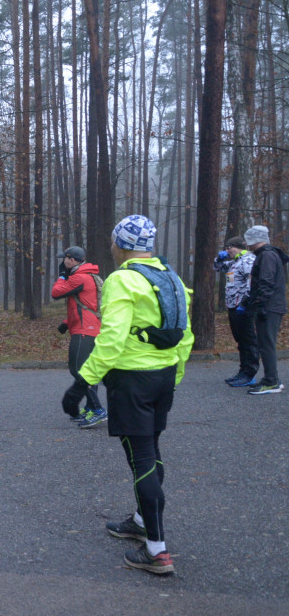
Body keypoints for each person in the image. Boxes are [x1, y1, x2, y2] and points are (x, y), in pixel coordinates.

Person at [61, 215, 193, 575]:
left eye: (114, 243)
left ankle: (156, 550)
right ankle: (139, 520)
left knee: (141, 458)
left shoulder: (122, 280)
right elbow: (185, 335)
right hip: (163, 377)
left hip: (132, 380)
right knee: (151, 448)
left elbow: (112, 338)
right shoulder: (171, 277)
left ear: (121, 245)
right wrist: (174, 376)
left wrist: (80, 384)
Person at [50, 246, 107, 428]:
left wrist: (61, 276)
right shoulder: (84, 275)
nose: (63, 262)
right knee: (87, 369)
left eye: (65, 259)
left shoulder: (80, 277)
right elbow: (84, 303)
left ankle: (98, 409)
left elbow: (56, 292)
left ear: (71, 260)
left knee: (78, 370)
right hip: (87, 327)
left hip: (85, 330)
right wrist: (67, 322)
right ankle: (91, 408)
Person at [240, 225, 287, 395]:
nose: (246, 244)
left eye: (248, 240)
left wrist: (260, 305)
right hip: (270, 305)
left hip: (269, 307)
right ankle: (272, 379)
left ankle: (271, 381)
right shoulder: (267, 255)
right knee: (266, 344)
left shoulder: (266, 256)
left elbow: (266, 282)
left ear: (255, 239)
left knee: (266, 345)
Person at [212, 236, 258, 386]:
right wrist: (219, 258)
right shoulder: (235, 262)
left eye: (228, 247)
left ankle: (250, 374)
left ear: (237, 247)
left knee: (248, 341)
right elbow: (217, 268)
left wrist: (244, 303)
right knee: (241, 341)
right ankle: (243, 371)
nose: (227, 251)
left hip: (243, 307)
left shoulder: (247, 261)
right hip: (233, 306)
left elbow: (252, 284)